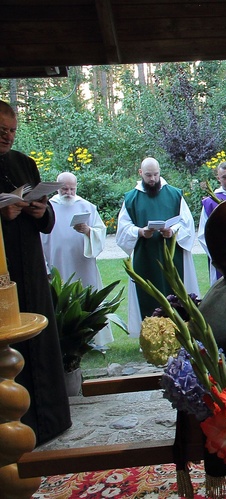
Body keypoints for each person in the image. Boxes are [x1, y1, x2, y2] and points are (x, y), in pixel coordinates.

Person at [0, 100, 71, 445]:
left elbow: (48, 221)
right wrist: (2, 215)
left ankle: (51, 419)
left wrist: (41, 210)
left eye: (12, 130)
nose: (7, 136)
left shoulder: (24, 163)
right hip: (2, 273)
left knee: (39, 340)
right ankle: (17, 423)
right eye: (1, 130)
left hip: (29, 264)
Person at [116, 157, 199, 336]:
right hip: (146, 256)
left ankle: (181, 332)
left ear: (160, 172)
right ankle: (152, 335)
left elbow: (187, 223)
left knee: (176, 291)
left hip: (172, 253)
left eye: (155, 174)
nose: (152, 179)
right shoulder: (131, 198)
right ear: (140, 173)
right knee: (149, 293)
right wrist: (139, 232)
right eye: (148, 175)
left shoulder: (175, 194)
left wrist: (172, 231)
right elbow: (123, 228)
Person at [41, 172, 113, 348]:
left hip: (83, 264)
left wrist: (88, 231)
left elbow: (100, 232)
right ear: (57, 188)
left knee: (88, 297)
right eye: (64, 189)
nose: (68, 193)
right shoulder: (48, 208)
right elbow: (39, 239)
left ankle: (95, 340)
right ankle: (65, 341)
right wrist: (45, 268)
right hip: (57, 262)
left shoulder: (86, 206)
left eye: (72, 189)